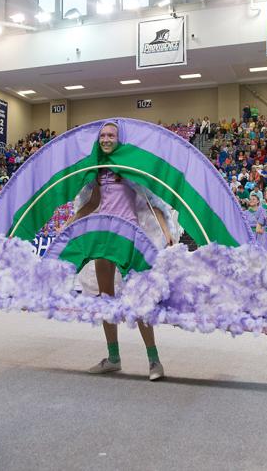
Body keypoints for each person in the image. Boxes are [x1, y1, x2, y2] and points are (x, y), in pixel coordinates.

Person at [70, 123, 173, 381]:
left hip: (129, 237)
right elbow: (94, 202)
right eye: (103, 136)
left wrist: (166, 230)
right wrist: (71, 221)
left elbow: (153, 201)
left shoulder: (130, 168)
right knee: (106, 298)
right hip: (104, 237)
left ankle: (154, 361)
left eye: (111, 135)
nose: (106, 139)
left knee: (141, 298)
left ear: (119, 139)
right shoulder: (97, 169)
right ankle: (113, 358)